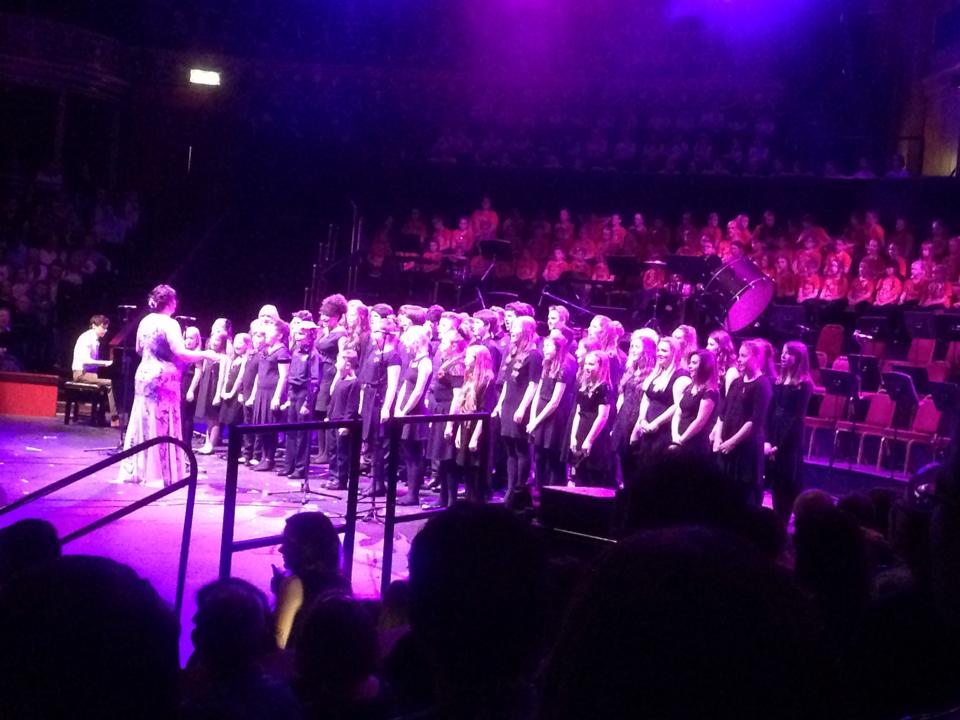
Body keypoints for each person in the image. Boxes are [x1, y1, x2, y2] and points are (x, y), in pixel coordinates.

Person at [118, 285, 219, 486]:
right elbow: (181, 353)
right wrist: (206, 354)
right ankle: (159, 473)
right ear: (171, 302)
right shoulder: (169, 323)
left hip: (144, 373)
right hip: (163, 378)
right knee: (162, 422)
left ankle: (138, 471)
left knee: (143, 421)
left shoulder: (145, 321)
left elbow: (138, 349)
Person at [273, 512, 350, 650]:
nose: (281, 549)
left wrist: (281, 592)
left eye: (289, 544)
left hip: (301, 666)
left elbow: (277, 644)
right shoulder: (342, 583)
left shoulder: (294, 585)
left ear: (308, 548)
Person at [714, 339, 774, 506]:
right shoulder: (736, 382)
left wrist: (732, 442)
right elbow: (723, 412)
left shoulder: (762, 385)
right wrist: (719, 438)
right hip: (726, 445)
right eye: (739, 355)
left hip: (745, 448)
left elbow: (754, 420)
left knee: (742, 496)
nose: (739, 359)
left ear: (755, 358)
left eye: (743, 356)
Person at [493, 315, 542, 507]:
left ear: (526, 331)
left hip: (521, 405)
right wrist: (500, 405)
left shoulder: (534, 355)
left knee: (521, 450)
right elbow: (506, 382)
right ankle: (511, 489)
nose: (511, 330)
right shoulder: (512, 351)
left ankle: (520, 490)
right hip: (508, 404)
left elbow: (533, 384)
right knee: (510, 450)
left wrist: (523, 407)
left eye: (516, 327)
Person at [765, 342, 814, 520]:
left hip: (790, 438)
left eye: (788, 354)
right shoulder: (777, 381)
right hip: (775, 432)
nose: (783, 356)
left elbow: (796, 417)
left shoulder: (803, 385)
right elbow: (771, 411)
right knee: (774, 481)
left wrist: (779, 444)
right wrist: (768, 439)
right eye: (783, 352)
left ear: (798, 358)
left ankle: (783, 522)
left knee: (786, 482)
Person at [631, 338, 690, 469]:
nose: (659, 353)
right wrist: (642, 420)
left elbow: (678, 406)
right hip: (648, 428)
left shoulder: (681, 376)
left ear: (674, 353)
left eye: (664, 350)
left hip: (664, 430)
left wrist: (656, 423)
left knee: (657, 467)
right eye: (658, 350)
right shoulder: (657, 374)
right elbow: (646, 398)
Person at [528, 332, 577, 489]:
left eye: (548, 346)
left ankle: (553, 492)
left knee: (552, 458)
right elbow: (539, 392)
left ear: (558, 348)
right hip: (540, 415)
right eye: (545, 345)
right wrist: (532, 417)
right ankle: (538, 492)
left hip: (554, 418)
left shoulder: (564, 367)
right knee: (539, 456)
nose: (545, 348)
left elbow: (555, 401)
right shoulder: (547, 364)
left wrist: (536, 420)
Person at [449, 344, 497, 503]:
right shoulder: (469, 376)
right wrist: (458, 432)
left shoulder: (487, 380)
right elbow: (463, 404)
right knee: (466, 465)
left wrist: (475, 437)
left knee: (477, 467)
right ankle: (470, 498)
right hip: (466, 425)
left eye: (469, 356)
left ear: (478, 360)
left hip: (479, 428)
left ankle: (478, 500)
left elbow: (485, 412)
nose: (465, 359)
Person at [425, 329, 466, 508]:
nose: (440, 346)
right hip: (440, 411)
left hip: (449, 412)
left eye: (444, 343)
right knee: (442, 457)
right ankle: (443, 498)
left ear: (454, 345)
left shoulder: (457, 365)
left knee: (449, 460)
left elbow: (458, 396)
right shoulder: (448, 361)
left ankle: (451, 502)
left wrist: (450, 423)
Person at [611, 330, 657, 485]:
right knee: (622, 463)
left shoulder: (651, 373)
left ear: (647, 351)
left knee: (633, 465)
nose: (633, 350)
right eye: (632, 346)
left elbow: (645, 402)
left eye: (637, 347)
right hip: (624, 418)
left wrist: (636, 429)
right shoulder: (631, 370)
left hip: (636, 420)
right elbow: (622, 395)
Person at [395, 325, 433, 506]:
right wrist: (397, 407)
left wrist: (404, 411)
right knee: (407, 453)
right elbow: (405, 386)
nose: (407, 346)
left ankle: (413, 494)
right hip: (404, 410)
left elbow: (418, 392)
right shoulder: (413, 361)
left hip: (415, 412)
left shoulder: (426, 362)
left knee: (415, 455)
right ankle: (410, 491)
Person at [250, 319, 291, 473]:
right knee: (262, 426)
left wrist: (277, 397)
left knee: (270, 426)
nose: (267, 332)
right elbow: (259, 374)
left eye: (271, 330)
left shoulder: (282, 352)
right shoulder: (266, 350)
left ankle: (269, 459)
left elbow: (284, 376)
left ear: (280, 335)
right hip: (261, 392)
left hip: (271, 393)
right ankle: (264, 457)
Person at [569, 351, 614, 487]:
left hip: (595, 435)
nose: (587, 367)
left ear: (601, 367)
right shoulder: (583, 387)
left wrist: (589, 440)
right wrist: (573, 436)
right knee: (579, 474)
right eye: (586, 364)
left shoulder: (603, 388)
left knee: (593, 476)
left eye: (591, 364)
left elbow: (603, 416)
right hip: (581, 431)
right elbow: (578, 412)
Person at [283, 321, 319, 479]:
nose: (298, 337)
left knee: (302, 434)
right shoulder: (295, 350)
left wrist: (307, 403)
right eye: (297, 333)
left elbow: (314, 381)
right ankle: (288, 465)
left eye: (302, 334)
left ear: (310, 336)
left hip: (304, 394)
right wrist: (289, 396)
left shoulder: (313, 355)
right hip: (293, 392)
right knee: (290, 431)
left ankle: (300, 468)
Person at [324, 349, 362, 491]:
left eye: (339, 361)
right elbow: (333, 400)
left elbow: (352, 406)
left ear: (347, 364)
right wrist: (328, 415)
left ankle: (341, 479)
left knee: (342, 453)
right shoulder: (341, 380)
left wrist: (346, 424)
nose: (336, 364)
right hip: (333, 419)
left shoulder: (354, 383)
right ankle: (333, 477)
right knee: (333, 450)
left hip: (342, 423)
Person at [670, 349, 719, 458]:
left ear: (704, 367)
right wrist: (675, 437)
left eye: (694, 363)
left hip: (695, 444)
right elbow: (678, 412)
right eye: (690, 362)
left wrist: (681, 440)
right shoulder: (689, 387)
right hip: (678, 439)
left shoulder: (710, 392)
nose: (690, 366)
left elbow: (699, 422)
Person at [194, 318, 232, 455]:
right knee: (208, 417)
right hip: (207, 386)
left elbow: (222, 377)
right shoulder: (208, 355)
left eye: (217, 340)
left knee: (214, 417)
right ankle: (207, 441)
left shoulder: (222, 357)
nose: (214, 342)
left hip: (215, 388)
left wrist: (218, 394)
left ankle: (212, 443)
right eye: (212, 339)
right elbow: (204, 371)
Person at [71, 313, 117, 424]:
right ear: (94, 326)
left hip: (88, 373)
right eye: (102, 327)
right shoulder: (87, 338)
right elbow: (85, 361)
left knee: (107, 383)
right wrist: (105, 363)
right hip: (81, 373)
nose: (105, 331)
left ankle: (100, 416)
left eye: (106, 328)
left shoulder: (94, 339)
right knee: (109, 383)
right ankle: (115, 418)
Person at [181, 326, 202, 444]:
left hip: (189, 384)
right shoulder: (183, 352)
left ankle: (186, 445)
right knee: (181, 415)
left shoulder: (196, 354)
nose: (188, 341)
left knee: (187, 417)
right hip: (181, 384)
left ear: (197, 340)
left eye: (191, 338)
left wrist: (191, 390)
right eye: (186, 338)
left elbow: (198, 372)